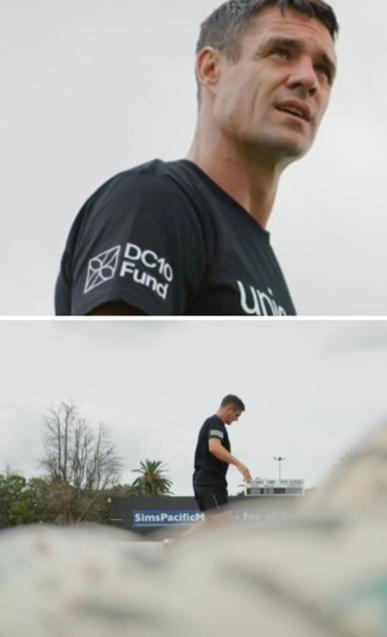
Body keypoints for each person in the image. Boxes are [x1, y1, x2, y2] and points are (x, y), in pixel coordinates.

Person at [54, 0, 339, 316]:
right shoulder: (155, 201)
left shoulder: (268, 269)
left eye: (323, 69)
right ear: (211, 69)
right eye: (281, 53)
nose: (308, 79)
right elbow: (107, 359)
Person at [190, 394, 252, 529]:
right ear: (229, 408)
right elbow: (214, 447)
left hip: (203, 481)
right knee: (226, 528)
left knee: (209, 524)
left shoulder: (211, 423)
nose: (236, 420)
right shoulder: (216, 422)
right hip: (210, 482)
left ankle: (173, 544)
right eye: (237, 415)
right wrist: (240, 465)